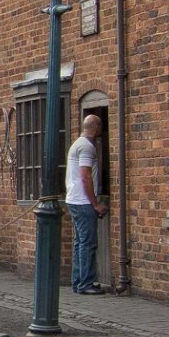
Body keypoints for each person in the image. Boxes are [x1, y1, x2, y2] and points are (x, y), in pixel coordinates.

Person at [66, 113, 109, 295]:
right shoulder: (86, 147)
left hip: (74, 199)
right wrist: (95, 203)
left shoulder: (77, 144)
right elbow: (85, 176)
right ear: (96, 128)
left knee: (80, 243)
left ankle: (78, 281)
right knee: (88, 243)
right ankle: (86, 283)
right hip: (83, 201)